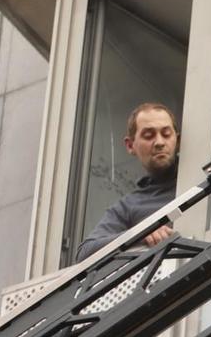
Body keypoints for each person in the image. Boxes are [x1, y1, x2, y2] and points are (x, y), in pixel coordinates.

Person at [75, 102, 183, 262]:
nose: (160, 142)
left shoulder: (198, 176)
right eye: (149, 136)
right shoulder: (129, 205)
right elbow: (85, 252)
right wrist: (141, 234)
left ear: (178, 140)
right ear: (130, 145)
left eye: (166, 134)